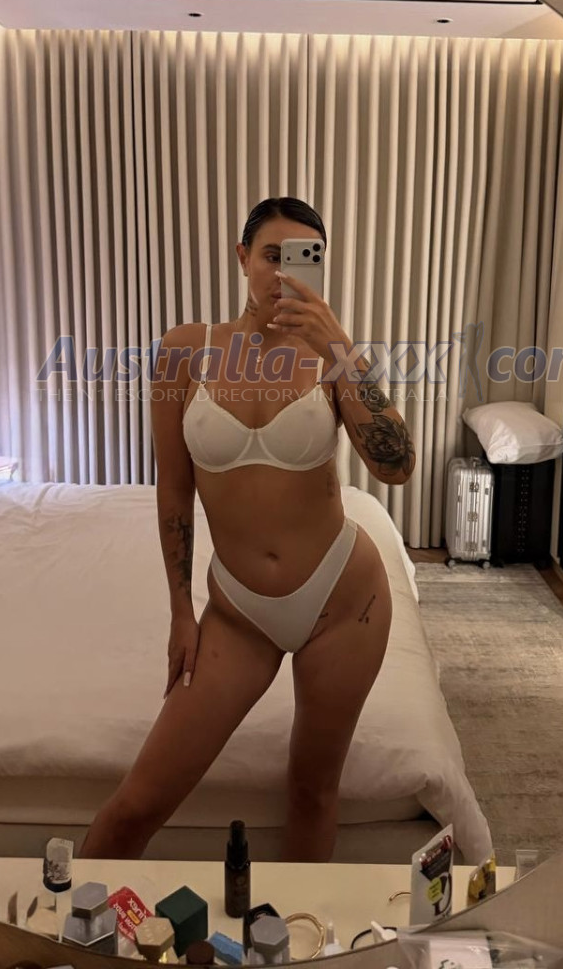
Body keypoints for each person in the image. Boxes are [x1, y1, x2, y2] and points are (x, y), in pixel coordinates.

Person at [79, 197, 416, 861]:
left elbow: (396, 466)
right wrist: (181, 612)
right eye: (271, 256)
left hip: (344, 602)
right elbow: (174, 491)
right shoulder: (186, 351)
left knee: (313, 791)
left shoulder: (330, 358)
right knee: (134, 808)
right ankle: (71, 924)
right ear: (242, 258)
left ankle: (301, 928)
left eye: (303, 260)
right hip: (238, 613)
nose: (283, 275)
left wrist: (341, 349)